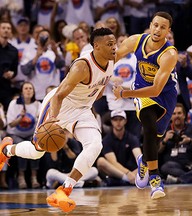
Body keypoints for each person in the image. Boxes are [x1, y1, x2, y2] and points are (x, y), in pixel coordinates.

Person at [0, 27, 116, 213]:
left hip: (82, 109)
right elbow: (59, 96)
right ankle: (6, 149)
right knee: (39, 151)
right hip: (59, 104)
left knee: (95, 146)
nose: (114, 47)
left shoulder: (112, 59)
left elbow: (100, 87)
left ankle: (64, 190)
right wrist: (52, 120)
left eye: (115, 43)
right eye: (109, 44)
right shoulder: (82, 66)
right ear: (96, 46)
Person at [113, 11, 178, 199]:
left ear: (168, 31)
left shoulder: (169, 53)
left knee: (156, 138)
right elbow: (115, 56)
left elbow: (156, 90)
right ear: (150, 25)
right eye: (155, 25)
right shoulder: (136, 40)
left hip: (165, 95)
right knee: (148, 126)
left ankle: (144, 162)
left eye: (163, 27)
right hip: (141, 90)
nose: (158, 30)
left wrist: (124, 93)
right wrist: (101, 75)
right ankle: (156, 180)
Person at [6, 81, 42, 189]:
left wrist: (39, 118)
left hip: (31, 134)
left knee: (36, 146)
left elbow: (40, 125)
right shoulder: (14, 104)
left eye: (30, 88)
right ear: (21, 91)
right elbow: (11, 124)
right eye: (26, 88)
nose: (28, 90)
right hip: (15, 134)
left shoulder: (38, 105)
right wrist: (20, 118)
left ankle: (33, 177)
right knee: (22, 145)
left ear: (34, 91)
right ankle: (21, 177)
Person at [96, 110, 142, 186]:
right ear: (111, 121)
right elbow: (113, 162)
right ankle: (127, 179)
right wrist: (127, 173)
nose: (118, 122)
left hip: (132, 170)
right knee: (100, 161)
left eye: (120, 119)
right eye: (115, 120)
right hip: (116, 171)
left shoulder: (132, 138)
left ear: (125, 121)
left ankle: (131, 178)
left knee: (146, 162)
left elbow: (139, 157)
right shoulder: (106, 140)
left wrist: (133, 172)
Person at [0, 20, 18, 111]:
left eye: (8, 28)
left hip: (6, 88)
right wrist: (2, 74)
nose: (6, 30)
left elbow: (15, 70)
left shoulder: (14, 51)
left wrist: (12, 74)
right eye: (3, 28)